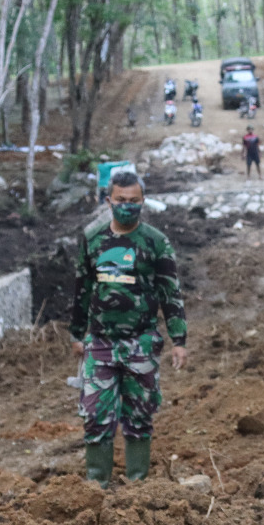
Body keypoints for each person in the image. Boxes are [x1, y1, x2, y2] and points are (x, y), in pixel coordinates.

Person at [70, 171, 188, 486]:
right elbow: (82, 289)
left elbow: (170, 292)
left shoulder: (155, 242)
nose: (127, 206)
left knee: (139, 417)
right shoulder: (92, 238)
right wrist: (77, 333)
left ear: (142, 201)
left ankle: (137, 486)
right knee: (96, 417)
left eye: (133, 201)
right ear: (109, 201)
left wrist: (179, 339)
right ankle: (97, 486)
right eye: (121, 200)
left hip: (142, 343)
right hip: (101, 344)